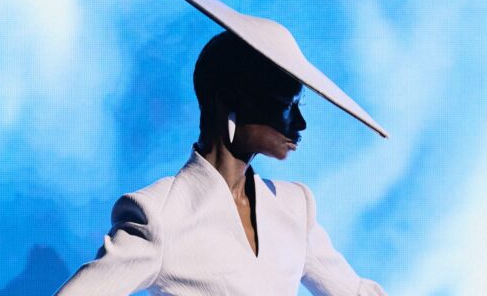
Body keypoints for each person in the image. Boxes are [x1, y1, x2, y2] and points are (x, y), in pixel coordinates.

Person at [54, 31, 387, 295]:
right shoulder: (161, 215)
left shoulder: (295, 207)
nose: (300, 123)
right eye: (287, 104)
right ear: (229, 101)